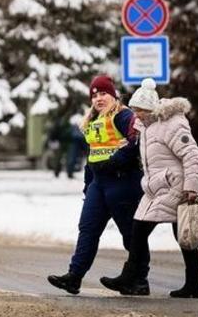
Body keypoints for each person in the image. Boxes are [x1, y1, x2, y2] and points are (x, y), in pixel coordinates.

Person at [99, 78, 198, 298]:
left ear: (149, 109)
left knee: (141, 229)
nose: (135, 115)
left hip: (174, 185)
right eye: (134, 110)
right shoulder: (146, 127)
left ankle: (130, 275)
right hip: (155, 187)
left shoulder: (172, 124)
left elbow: (192, 155)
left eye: (139, 111)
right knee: (181, 234)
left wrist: (191, 188)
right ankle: (194, 284)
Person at [47, 75, 144, 295]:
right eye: (94, 95)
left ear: (113, 95)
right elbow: (93, 154)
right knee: (87, 229)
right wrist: (88, 184)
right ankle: (74, 277)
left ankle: (139, 279)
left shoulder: (124, 115)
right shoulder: (92, 121)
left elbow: (137, 140)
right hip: (98, 185)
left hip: (123, 182)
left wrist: (116, 161)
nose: (99, 99)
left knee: (131, 234)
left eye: (103, 94)